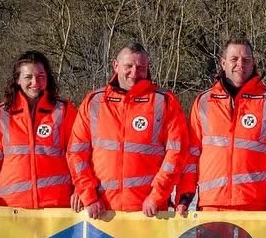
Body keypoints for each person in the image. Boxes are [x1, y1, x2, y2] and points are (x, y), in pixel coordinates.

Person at [68, 43, 189, 217]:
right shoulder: (94, 102)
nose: (134, 73)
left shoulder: (165, 102)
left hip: (147, 212)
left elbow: (176, 154)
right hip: (102, 211)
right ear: (115, 66)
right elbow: (76, 153)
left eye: (141, 68)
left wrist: (157, 196)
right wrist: (89, 195)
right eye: (128, 66)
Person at [180, 37, 266, 213]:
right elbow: (190, 155)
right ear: (223, 63)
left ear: (253, 64)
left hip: (257, 207)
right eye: (234, 59)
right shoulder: (203, 101)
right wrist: (185, 194)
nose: (240, 64)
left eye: (246, 60)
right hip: (212, 205)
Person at [0, 51, 77, 212]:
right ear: (17, 79)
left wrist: (80, 189)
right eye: (28, 77)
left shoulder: (64, 110)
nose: (35, 82)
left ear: (48, 77)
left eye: (41, 76)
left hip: (56, 206)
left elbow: (76, 154)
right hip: (13, 207)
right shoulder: (1, 113)